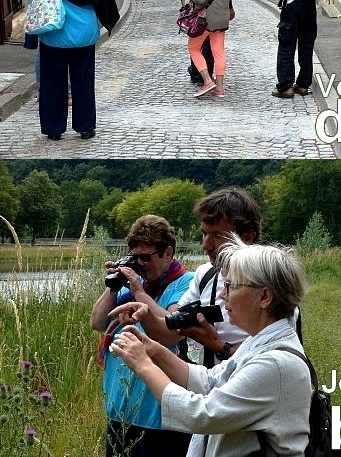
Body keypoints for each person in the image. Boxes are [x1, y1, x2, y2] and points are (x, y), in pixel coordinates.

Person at [108, 240, 311, 456]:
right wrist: (153, 350)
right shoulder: (259, 344)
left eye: (231, 285)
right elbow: (209, 381)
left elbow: (201, 414)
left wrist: (144, 366)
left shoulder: (276, 364)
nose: (223, 294)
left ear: (264, 296)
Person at [110, 187, 263, 368]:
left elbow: (277, 362)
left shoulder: (270, 285)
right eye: (204, 233)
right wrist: (143, 313)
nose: (206, 245)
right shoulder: (205, 274)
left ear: (247, 238)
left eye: (217, 235)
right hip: (209, 391)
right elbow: (171, 333)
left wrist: (219, 347)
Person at [90, 215, 194, 457]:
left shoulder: (187, 284)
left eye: (145, 257)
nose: (140, 264)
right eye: (134, 257)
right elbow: (97, 322)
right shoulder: (131, 286)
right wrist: (114, 285)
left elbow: (173, 329)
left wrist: (138, 290)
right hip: (122, 409)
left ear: (168, 253)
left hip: (160, 414)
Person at [18, 0, 119, 141]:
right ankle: (85, 127)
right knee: (83, 82)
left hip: (53, 34)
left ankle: (54, 129)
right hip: (83, 35)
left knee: (53, 82)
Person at [188, 0, 236, 99]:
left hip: (205, 19)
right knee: (219, 52)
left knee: (193, 48)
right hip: (221, 19)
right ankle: (220, 89)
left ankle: (208, 80)